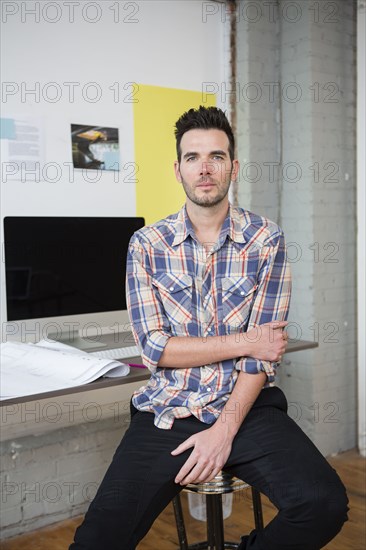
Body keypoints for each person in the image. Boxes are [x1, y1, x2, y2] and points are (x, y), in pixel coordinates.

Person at [70, 106, 348, 550]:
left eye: (216, 157)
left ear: (233, 167)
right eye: (192, 157)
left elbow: (263, 354)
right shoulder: (147, 245)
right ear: (177, 168)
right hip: (168, 411)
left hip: (247, 407)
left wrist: (223, 430)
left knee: (324, 504)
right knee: (96, 541)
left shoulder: (266, 239)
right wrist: (244, 339)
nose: (204, 168)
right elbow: (156, 348)